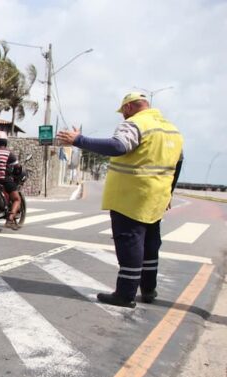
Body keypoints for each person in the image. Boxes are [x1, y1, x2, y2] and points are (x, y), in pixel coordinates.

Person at [57, 92, 184, 308]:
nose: (123, 117)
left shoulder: (135, 124)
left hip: (130, 196)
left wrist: (79, 140)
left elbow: (118, 146)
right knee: (151, 244)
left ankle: (125, 294)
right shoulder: (171, 130)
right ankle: (149, 289)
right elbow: (178, 163)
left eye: (123, 112)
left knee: (130, 243)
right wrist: (169, 192)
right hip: (156, 197)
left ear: (128, 108)